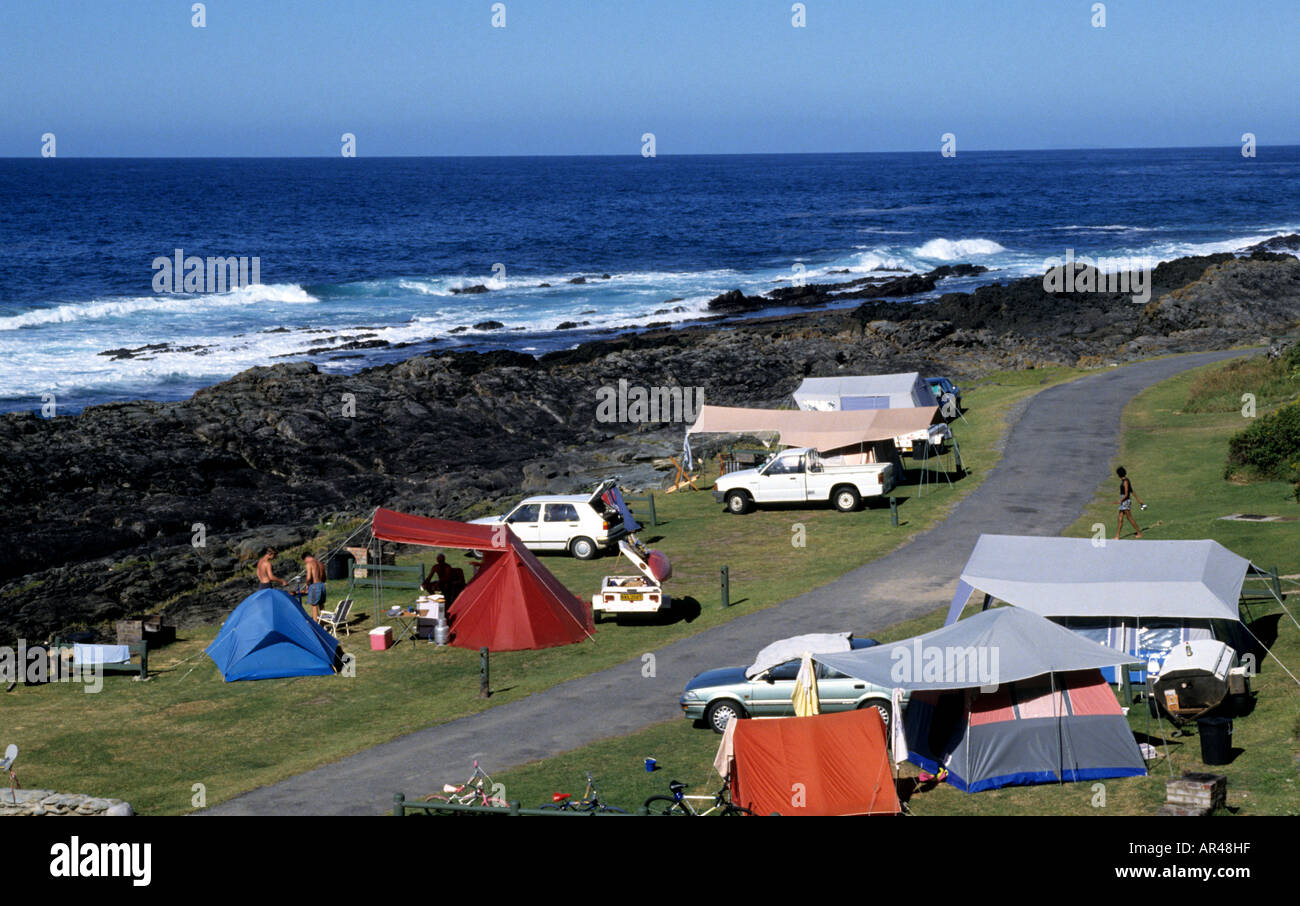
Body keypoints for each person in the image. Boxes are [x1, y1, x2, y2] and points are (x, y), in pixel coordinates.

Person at [1115, 466, 1145, 539]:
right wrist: (1139, 500)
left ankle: (1139, 533)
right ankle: (1117, 536)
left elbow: (1126, 494)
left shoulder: (1125, 482)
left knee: (1129, 518)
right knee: (1120, 518)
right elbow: (1132, 491)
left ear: (1119, 474)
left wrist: (1120, 501)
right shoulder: (1126, 480)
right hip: (1123, 501)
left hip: (1125, 501)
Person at [303, 553, 327, 621]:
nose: (305, 562)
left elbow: (308, 578)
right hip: (322, 585)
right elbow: (325, 578)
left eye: (305, 561)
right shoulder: (321, 564)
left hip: (314, 585)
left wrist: (307, 585)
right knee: (321, 605)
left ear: (306, 558)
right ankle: (323, 625)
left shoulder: (309, 564)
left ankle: (316, 626)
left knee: (314, 606)